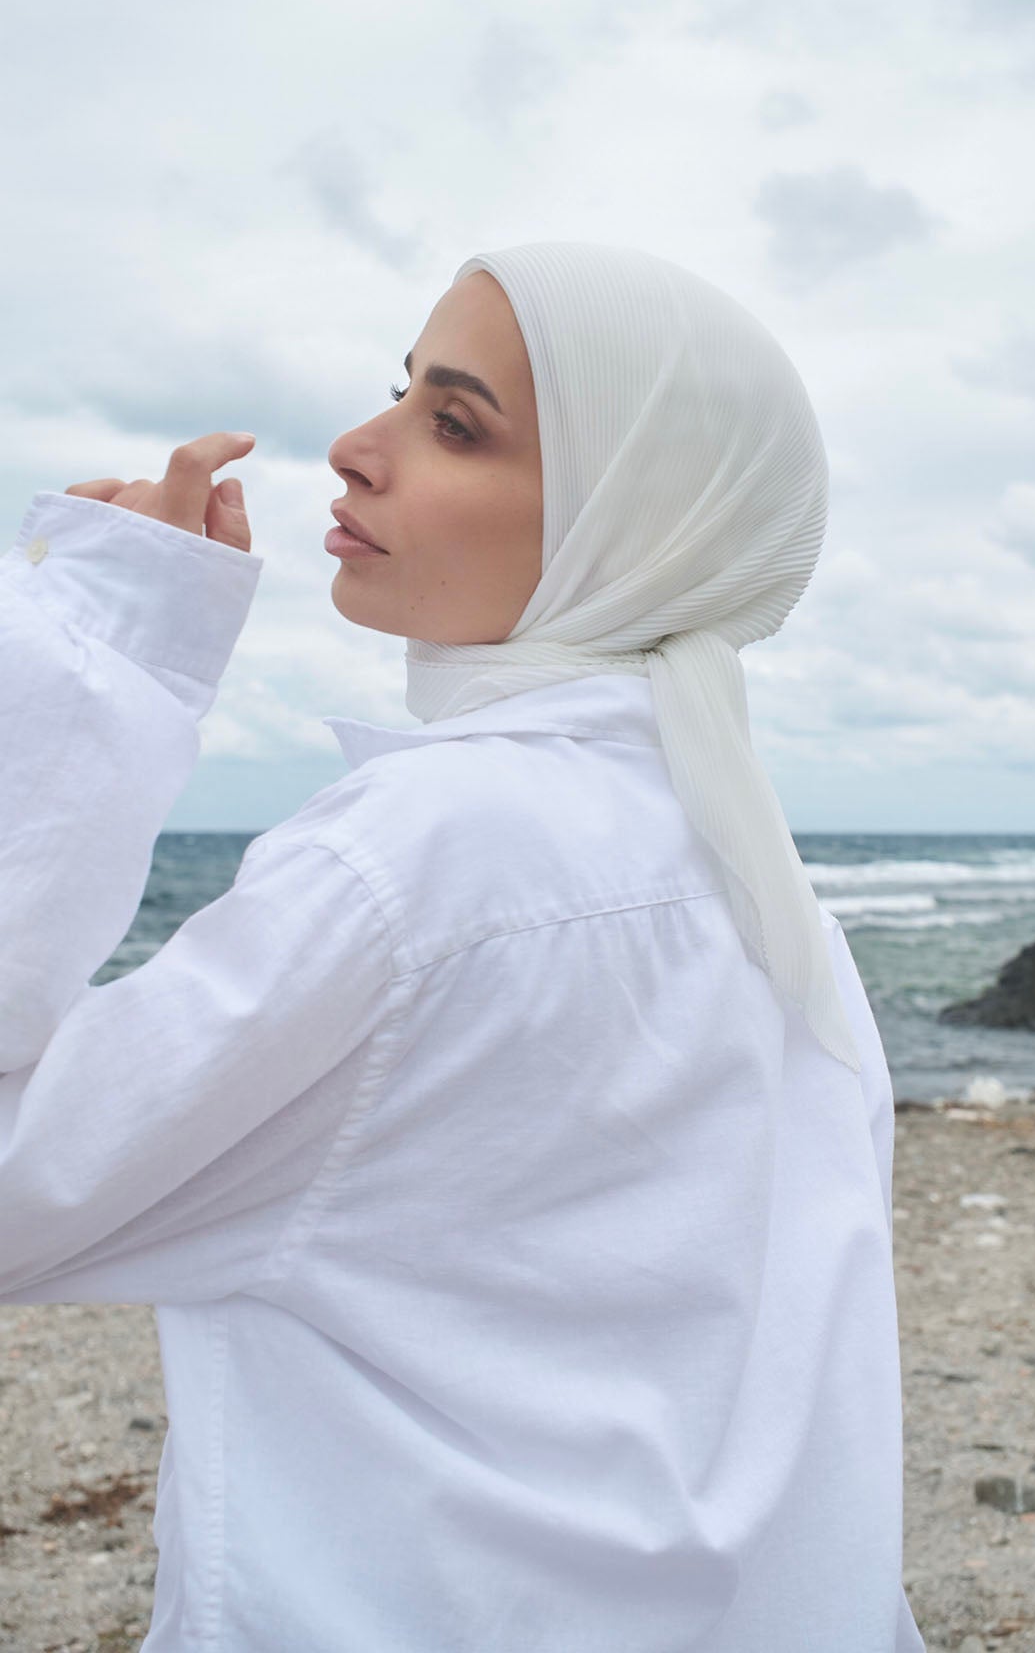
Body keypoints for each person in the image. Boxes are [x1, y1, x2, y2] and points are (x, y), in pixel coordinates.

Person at [0, 241, 926, 1652]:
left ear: (631, 518)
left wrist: (103, 649)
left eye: (456, 424)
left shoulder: (422, 858)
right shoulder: (750, 869)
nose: (356, 448)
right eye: (400, 394)